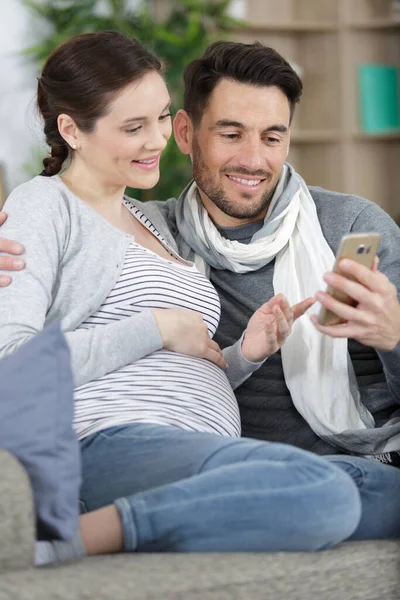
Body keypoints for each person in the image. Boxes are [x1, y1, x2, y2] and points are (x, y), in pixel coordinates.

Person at [1, 36, 400, 549]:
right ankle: (69, 540)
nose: (155, 141)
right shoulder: (51, 208)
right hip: (117, 437)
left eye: (159, 118)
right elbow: (18, 361)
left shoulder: (153, 223)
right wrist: (157, 329)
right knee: (325, 493)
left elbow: (179, 365)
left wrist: (247, 354)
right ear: (72, 130)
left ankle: (237, 504)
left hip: (205, 444)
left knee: (369, 493)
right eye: (231, 133)